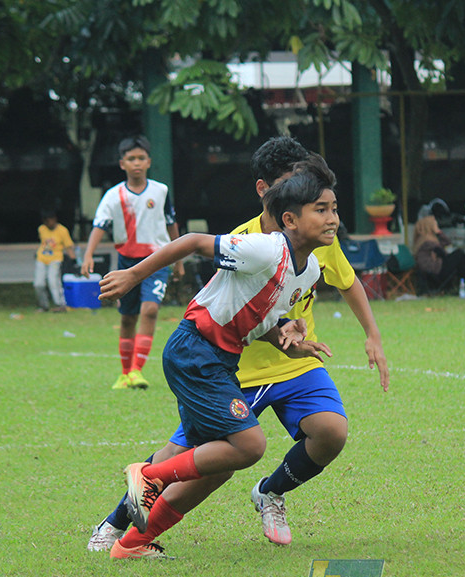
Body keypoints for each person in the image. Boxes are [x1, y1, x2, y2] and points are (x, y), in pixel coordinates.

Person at [87, 137, 389, 554]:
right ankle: (120, 517)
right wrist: (133, 275)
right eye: (316, 203)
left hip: (258, 365)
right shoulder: (255, 245)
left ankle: (135, 540)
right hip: (212, 360)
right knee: (227, 453)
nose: (329, 214)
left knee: (324, 432)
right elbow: (193, 243)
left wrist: (291, 339)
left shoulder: (312, 258)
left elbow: (267, 314)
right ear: (275, 199)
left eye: (330, 205)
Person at [81, 135, 183, 391]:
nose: (136, 163)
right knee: (127, 317)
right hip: (126, 263)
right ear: (122, 164)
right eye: (131, 159)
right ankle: (125, 373)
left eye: (141, 158)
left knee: (149, 310)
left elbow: (171, 223)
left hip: (157, 260)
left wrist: (179, 258)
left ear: (148, 161)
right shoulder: (113, 195)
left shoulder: (161, 191)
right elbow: (99, 226)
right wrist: (88, 254)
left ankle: (137, 370)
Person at [412, 213, 465, 295]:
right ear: (429, 226)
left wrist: (438, 233)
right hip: (436, 271)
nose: (436, 225)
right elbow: (443, 251)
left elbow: (446, 244)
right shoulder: (427, 241)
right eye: (434, 224)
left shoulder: (424, 240)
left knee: (462, 262)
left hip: (436, 268)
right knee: (459, 255)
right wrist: (438, 232)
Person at [33, 209, 75, 312]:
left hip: (55, 259)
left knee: (53, 281)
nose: (48, 224)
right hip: (41, 258)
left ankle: (60, 304)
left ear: (54, 219)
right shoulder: (41, 229)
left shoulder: (62, 230)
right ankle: (43, 305)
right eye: (45, 221)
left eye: (49, 221)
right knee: (38, 283)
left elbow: (68, 246)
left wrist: (73, 259)